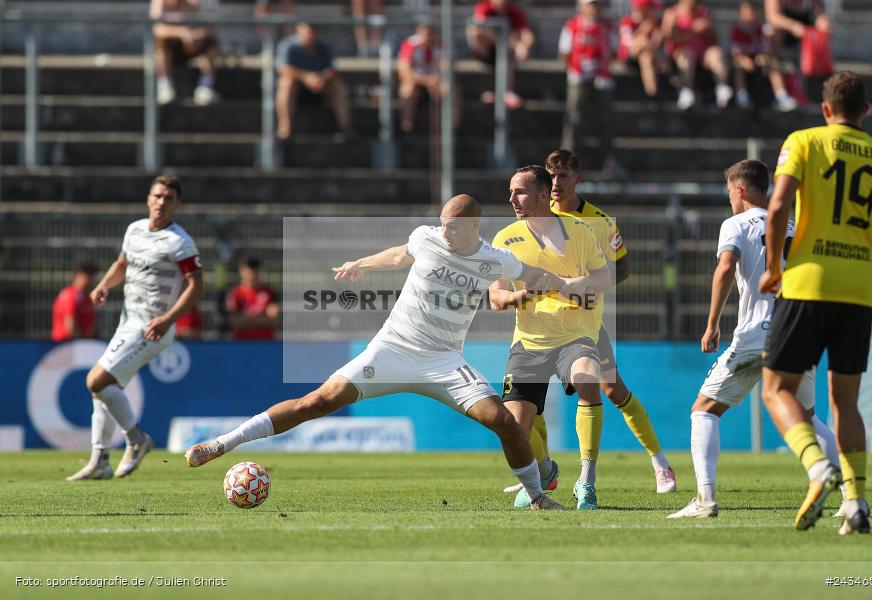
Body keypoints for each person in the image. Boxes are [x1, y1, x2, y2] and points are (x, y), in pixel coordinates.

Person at [185, 195, 573, 510]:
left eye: (453, 227)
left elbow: (534, 275)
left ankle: (538, 496)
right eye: (442, 223)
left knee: (503, 421)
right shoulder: (428, 237)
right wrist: (361, 264)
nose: (444, 232)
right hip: (393, 348)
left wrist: (571, 286)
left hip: (444, 360)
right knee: (319, 400)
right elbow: (398, 254)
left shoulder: (495, 259)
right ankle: (222, 444)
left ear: (473, 227)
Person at [759, 71, 872, 534]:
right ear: (866, 111)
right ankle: (856, 503)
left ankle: (817, 466)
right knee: (847, 402)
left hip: (808, 283)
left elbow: (778, 206)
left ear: (825, 109)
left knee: (776, 388)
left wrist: (775, 267)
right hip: (860, 290)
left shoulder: (804, 141)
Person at [667, 159, 840, 519]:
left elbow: (726, 267)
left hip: (756, 334)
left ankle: (705, 499)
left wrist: (712, 323)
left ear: (740, 190)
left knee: (704, 409)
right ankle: (853, 496)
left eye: (730, 191)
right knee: (807, 417)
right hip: (795, 332)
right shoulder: (789, 223)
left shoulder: (735, 223)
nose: (730, 198)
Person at [546, 149, 675, 493]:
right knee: (526, 396)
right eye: (551, 176)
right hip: (542, 319)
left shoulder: (600, 221)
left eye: (562, 176)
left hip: (585, 321)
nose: (555, 183)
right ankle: (538, 472)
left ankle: (660, 463)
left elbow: (624, 267)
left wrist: (587, 284)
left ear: (578, 179)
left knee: (613, 390)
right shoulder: (537, 217)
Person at [490, 166, 614, 510]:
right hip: (530, 341)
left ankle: (586, 483)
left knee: (588, 380)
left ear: (544, 194)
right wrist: (521, 297)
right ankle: (544, 471)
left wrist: (582, 285)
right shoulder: (504, 239)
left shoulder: (580, 230)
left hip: (577, 335)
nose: (512, 198)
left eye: (521, 192)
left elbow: (604, 275)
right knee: (513, 426)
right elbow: (495, 297)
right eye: (511, 192)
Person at [67, 176, 203, 481]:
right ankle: (100, 460)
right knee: (104, 391)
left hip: (151, 327)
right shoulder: (135, 230)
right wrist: (104, 284)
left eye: (169, 198)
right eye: (157, 196)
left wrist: (169, 319)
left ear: (177, 204)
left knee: (96, 381)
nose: (161, 202)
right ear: (148, 198)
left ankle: (137, 439)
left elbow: (196, 287)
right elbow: (122, 264)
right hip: (127, 322)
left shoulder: (179, 242)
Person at [558, 0, 624, 177]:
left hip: (603, 77)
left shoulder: (607, 27)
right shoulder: (572, 26)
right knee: (573, 119)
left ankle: (610, 161)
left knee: (606, 120)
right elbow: (564, 53)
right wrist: (577, 68)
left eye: (596, 4)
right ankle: (565, 163)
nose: (593, 7)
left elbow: (615, 51)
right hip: (578, 75)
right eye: (590, 4)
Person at [276, 23, 353, 140]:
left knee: (338, 85)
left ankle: (345, 129)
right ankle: (285, 129)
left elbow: (331, 70)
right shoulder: (288, 45)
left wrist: (321, 79)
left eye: (312, 34)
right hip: (298, 87)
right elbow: (283, 69)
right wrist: (306, 77)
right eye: (307, 33)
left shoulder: (323, 46)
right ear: (298, 31)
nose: (309, 37)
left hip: (320, 86)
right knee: (286, 83)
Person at [661, 0, 733, 110]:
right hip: (682, 54)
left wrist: (709, 28)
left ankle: (722, 88)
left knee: (716, 52)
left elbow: (715, 40)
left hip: (703, 54)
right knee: (688, 55)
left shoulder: (704, 12)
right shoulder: (672, 13)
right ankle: (686, 91)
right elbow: (670, 39)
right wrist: (693, 31)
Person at [466, 0, 534, 110]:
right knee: (475, 31)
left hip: (506, 51)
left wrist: (524, 46)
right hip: (486, 50)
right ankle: (491, 91)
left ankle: (506, 92)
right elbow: (478, 30)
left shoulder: (513, 10)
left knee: (509, 52)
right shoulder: (484, 8)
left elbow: (526, 33)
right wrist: (505, 42)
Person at [150, 0, 220, 106]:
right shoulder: (159, 2)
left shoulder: (192, 4)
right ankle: (165, 86)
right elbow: (156, 29)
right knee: (160, 44)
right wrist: (181, 33)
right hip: (170, 50)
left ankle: (205, 86)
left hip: (190, 47)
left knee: (212, 44)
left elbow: (209, 27)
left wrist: (198, 36)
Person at [730, 0, 797, 112]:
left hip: (759, 58)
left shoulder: (763, 29)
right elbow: (735, 52)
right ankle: (742, 96)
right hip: (743, 58)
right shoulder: (737, 29)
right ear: (741, 13)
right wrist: (743, 60)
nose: (751, 16)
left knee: (773, 65)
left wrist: (769, 48)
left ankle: (781, 96)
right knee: (738, 67)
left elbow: (766, 50)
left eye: (753, 12)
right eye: (748, 12)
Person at [397, 23, 461, 134]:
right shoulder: (410, 45)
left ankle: (451, 129)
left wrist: (438, 77)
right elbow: (404, 71)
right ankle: (406, 127)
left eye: (432, 34)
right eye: (426, 34)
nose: (429, 38)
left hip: (435, 80)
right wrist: (425, 80)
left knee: (450, 88)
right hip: (417, 80)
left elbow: (449, 68)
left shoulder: (441, 45)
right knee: (408, 90)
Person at [617, 0, 664, 99]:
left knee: (646, 57)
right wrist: (644, 29)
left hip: (648, 55)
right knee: (643, 42)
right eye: (650, 7)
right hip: (630, 56)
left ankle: (652, 94)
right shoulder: (627, 21)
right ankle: (653, 94)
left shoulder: (653, 22)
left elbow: (657, 42)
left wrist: (656, 35)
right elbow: (628, 44)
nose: (653, 10)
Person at [225, 257, 280, 340]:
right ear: (241, 271)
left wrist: (246, 319)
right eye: (249, 270)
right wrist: (261, 319)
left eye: (255, 270)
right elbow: (235, 322)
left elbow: (273, 321)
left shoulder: (269, 293)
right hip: (242, 344)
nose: (252, 273)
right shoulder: (235, 294)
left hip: (265, 344)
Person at [51, 261, 99, 342]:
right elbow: (70, 327)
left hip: (80, 344)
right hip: (67, 345)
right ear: (78, 276)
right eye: (89, 279)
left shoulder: (85, 297)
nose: (92, 282)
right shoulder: (70, 296)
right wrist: (84, 343)